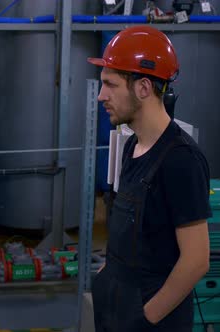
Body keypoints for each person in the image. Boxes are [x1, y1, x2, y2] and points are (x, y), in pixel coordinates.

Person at [88, 26, 211, 331]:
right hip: (115, 306)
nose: (101, 95)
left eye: (110, 84)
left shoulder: (181, 160)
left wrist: (148, 316)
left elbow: (196, 260)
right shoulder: (132, 145)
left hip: (146, 319)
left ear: (143, 88)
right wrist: (107, 275)